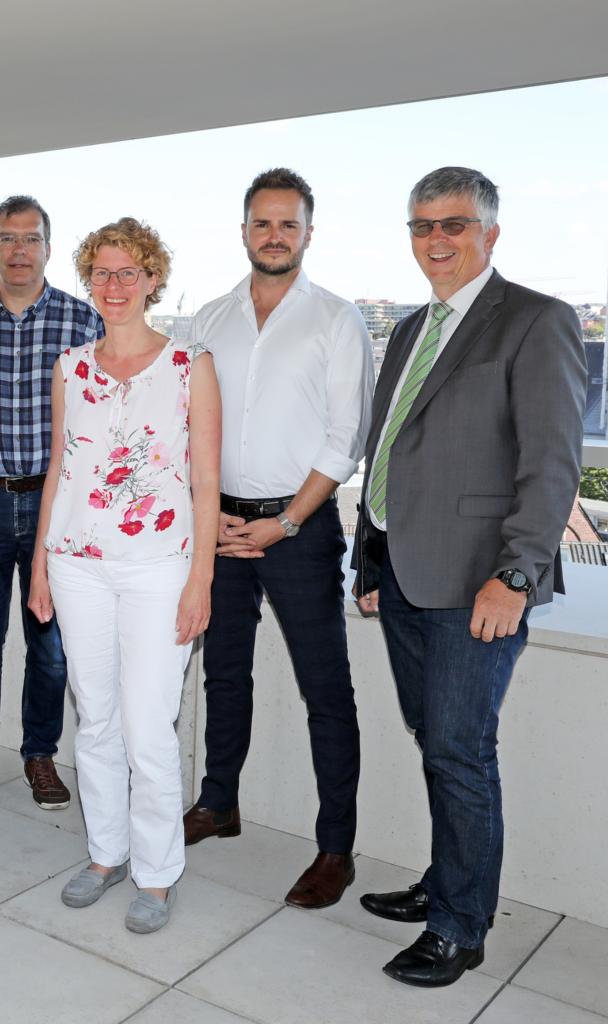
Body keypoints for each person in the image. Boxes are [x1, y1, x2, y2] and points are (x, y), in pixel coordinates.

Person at [353, 167, 586, 986]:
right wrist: (370, 557)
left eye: (453, 225)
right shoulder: (414, 326)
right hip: (406, 576)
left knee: (458, 751)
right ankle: (445, 883)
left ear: (490, 232)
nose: (436, 240)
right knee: (437, 742)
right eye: (421, 226)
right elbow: (388, 449)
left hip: (479, 586)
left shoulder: (535, 320)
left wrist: (516, 577)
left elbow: (551, 464)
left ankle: (461, 926)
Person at [184, 168, 373, 909]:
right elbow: (188, 423)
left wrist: (287, 520)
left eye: (288, 225)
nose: (274, 236)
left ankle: (336, 849)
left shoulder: (336, 318)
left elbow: (346, 437)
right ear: (243, 231)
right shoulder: (208, 318)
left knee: (325, 690)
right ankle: (218, 802)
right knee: (223, 672)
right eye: (262, 223)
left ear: (308, 234)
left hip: (299, 528)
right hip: (222, 524)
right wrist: (210, 514)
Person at [30, 218, 220, 933]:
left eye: (127, 273)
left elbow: (206, 480)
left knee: (149, 727)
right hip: (76, 565)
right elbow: (62, 469)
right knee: (98, 718)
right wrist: (42, 565)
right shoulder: (70, 367)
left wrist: (200, 579)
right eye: (101, 273)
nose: (113, 286)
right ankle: (105, 854)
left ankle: (158, 872)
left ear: (151, 280)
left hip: (158, 570)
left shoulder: (188, 365)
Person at [0, 196, 103, 808]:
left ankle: (40, 754)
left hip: (55, 507)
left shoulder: (82, 323)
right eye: (7, 239)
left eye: (30, 239)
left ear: (47, 248)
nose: (19, 250)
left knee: (53, 645)